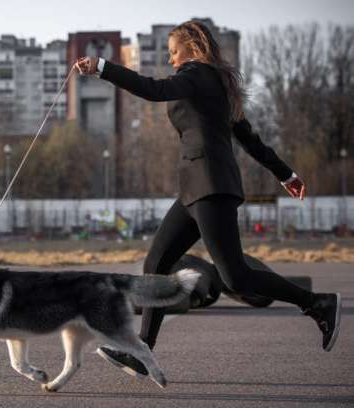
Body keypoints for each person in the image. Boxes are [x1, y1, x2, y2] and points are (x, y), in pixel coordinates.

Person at [75, 20, 341, 382]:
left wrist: (103, 68)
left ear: (192, 45)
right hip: (193, 188)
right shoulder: (214, 84)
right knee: (157, 260)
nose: (170, 59)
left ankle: (318, 304)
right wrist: (287, 174)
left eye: (172, 51)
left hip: (211, 186)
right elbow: (250, 138)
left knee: (236, 275)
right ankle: (142, 350)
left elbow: (153, 90)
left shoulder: (198, 75)